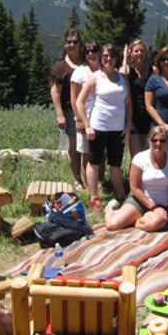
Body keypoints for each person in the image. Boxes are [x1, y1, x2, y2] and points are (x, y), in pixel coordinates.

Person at [75, 43, 131, 210]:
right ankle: (94, 197)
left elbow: (128, 103)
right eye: (106, 56)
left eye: (112, 56)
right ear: (101, 58)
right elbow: (80, 102)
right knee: (94, 162)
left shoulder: (122, 77)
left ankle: (122, 196)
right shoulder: (95, 77)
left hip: (118, 128)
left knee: (115, 164)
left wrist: (128, 127)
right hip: (99, 127)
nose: (109, 59)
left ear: (117, 59)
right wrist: (87, 125)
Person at [104, 126, 168, 232]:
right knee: (112, 225)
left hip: (161, 205)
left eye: (162, 141)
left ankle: (136, 222)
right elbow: (134, 188)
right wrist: (151, 206)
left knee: (156, 223)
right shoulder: (140, 158)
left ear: (167, 142)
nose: (158, 144)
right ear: (149, 141)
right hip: (139, 201)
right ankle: (109, 209)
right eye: (154, 140)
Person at [50, 29, 83, 189]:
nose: (72, 45)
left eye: (75, 42)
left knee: (89, 146)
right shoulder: (60, 67)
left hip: (89, 111)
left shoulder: (87, 62)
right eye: (69, 42)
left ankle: (92, 177)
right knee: (74, 145)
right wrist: (60, 115)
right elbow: (55, 91)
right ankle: (77, 178)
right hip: (70, 111)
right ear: (65, 44)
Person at [69, 39, 101, 191]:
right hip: (85, 117)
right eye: (87, 51)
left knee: (101, 153)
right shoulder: (80, 72)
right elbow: (74, 98)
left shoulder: (104, 70)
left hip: (102, 118)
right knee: (86, 154)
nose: (91, 54)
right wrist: (79, 120)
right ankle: (89, 185)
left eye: (94, 50)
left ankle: (99, 181)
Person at [121, 39, 154, 158]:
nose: (139, 53)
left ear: (145, 53)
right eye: (136, 51)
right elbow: (121, 74)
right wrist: (125, 58)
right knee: (137, 157)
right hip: (133, 117)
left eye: (141, 50)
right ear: (131, 53)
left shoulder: (153, 70)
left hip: (149, 117)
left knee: (149, 154)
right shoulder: (129, 71)